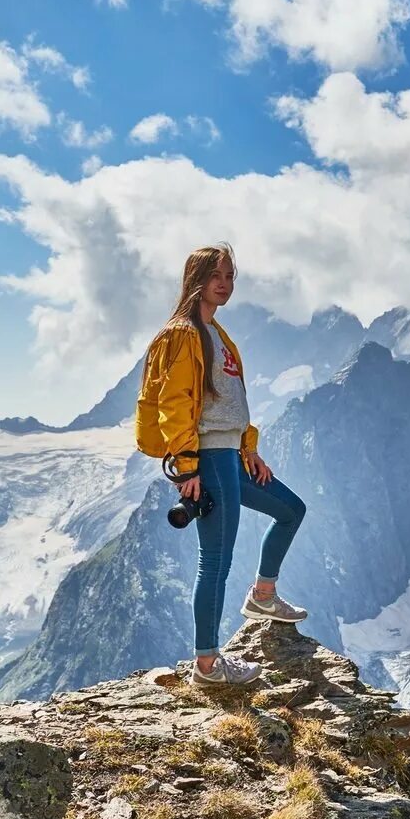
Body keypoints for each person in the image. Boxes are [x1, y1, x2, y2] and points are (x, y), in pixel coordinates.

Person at [135, 243, 309, 686]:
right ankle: (208, 665)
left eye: (230, 276)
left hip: (231, 455)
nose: (225, 284)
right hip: (208, 458)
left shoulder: (217, 334)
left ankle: (263, 596)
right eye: (217, 275)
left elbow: (231, 401)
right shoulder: (182, 334)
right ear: (195, 279)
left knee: (291, 510)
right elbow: (173, 404)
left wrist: (248, 446)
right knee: (214, 560)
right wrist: (188, 467)